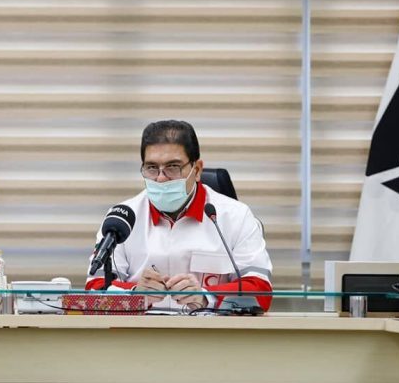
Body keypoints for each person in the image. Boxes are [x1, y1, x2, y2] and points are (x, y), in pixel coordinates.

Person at [85, 120, 273, 311]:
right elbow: (95, 287)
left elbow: (260, 291)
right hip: (140, 327)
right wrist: (135, 294)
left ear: (196, 170)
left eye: (172, 167)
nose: (160, 178)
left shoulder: (236, 216)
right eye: (151, 167)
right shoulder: (121, 218)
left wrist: (205, 296)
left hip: (210, 327)